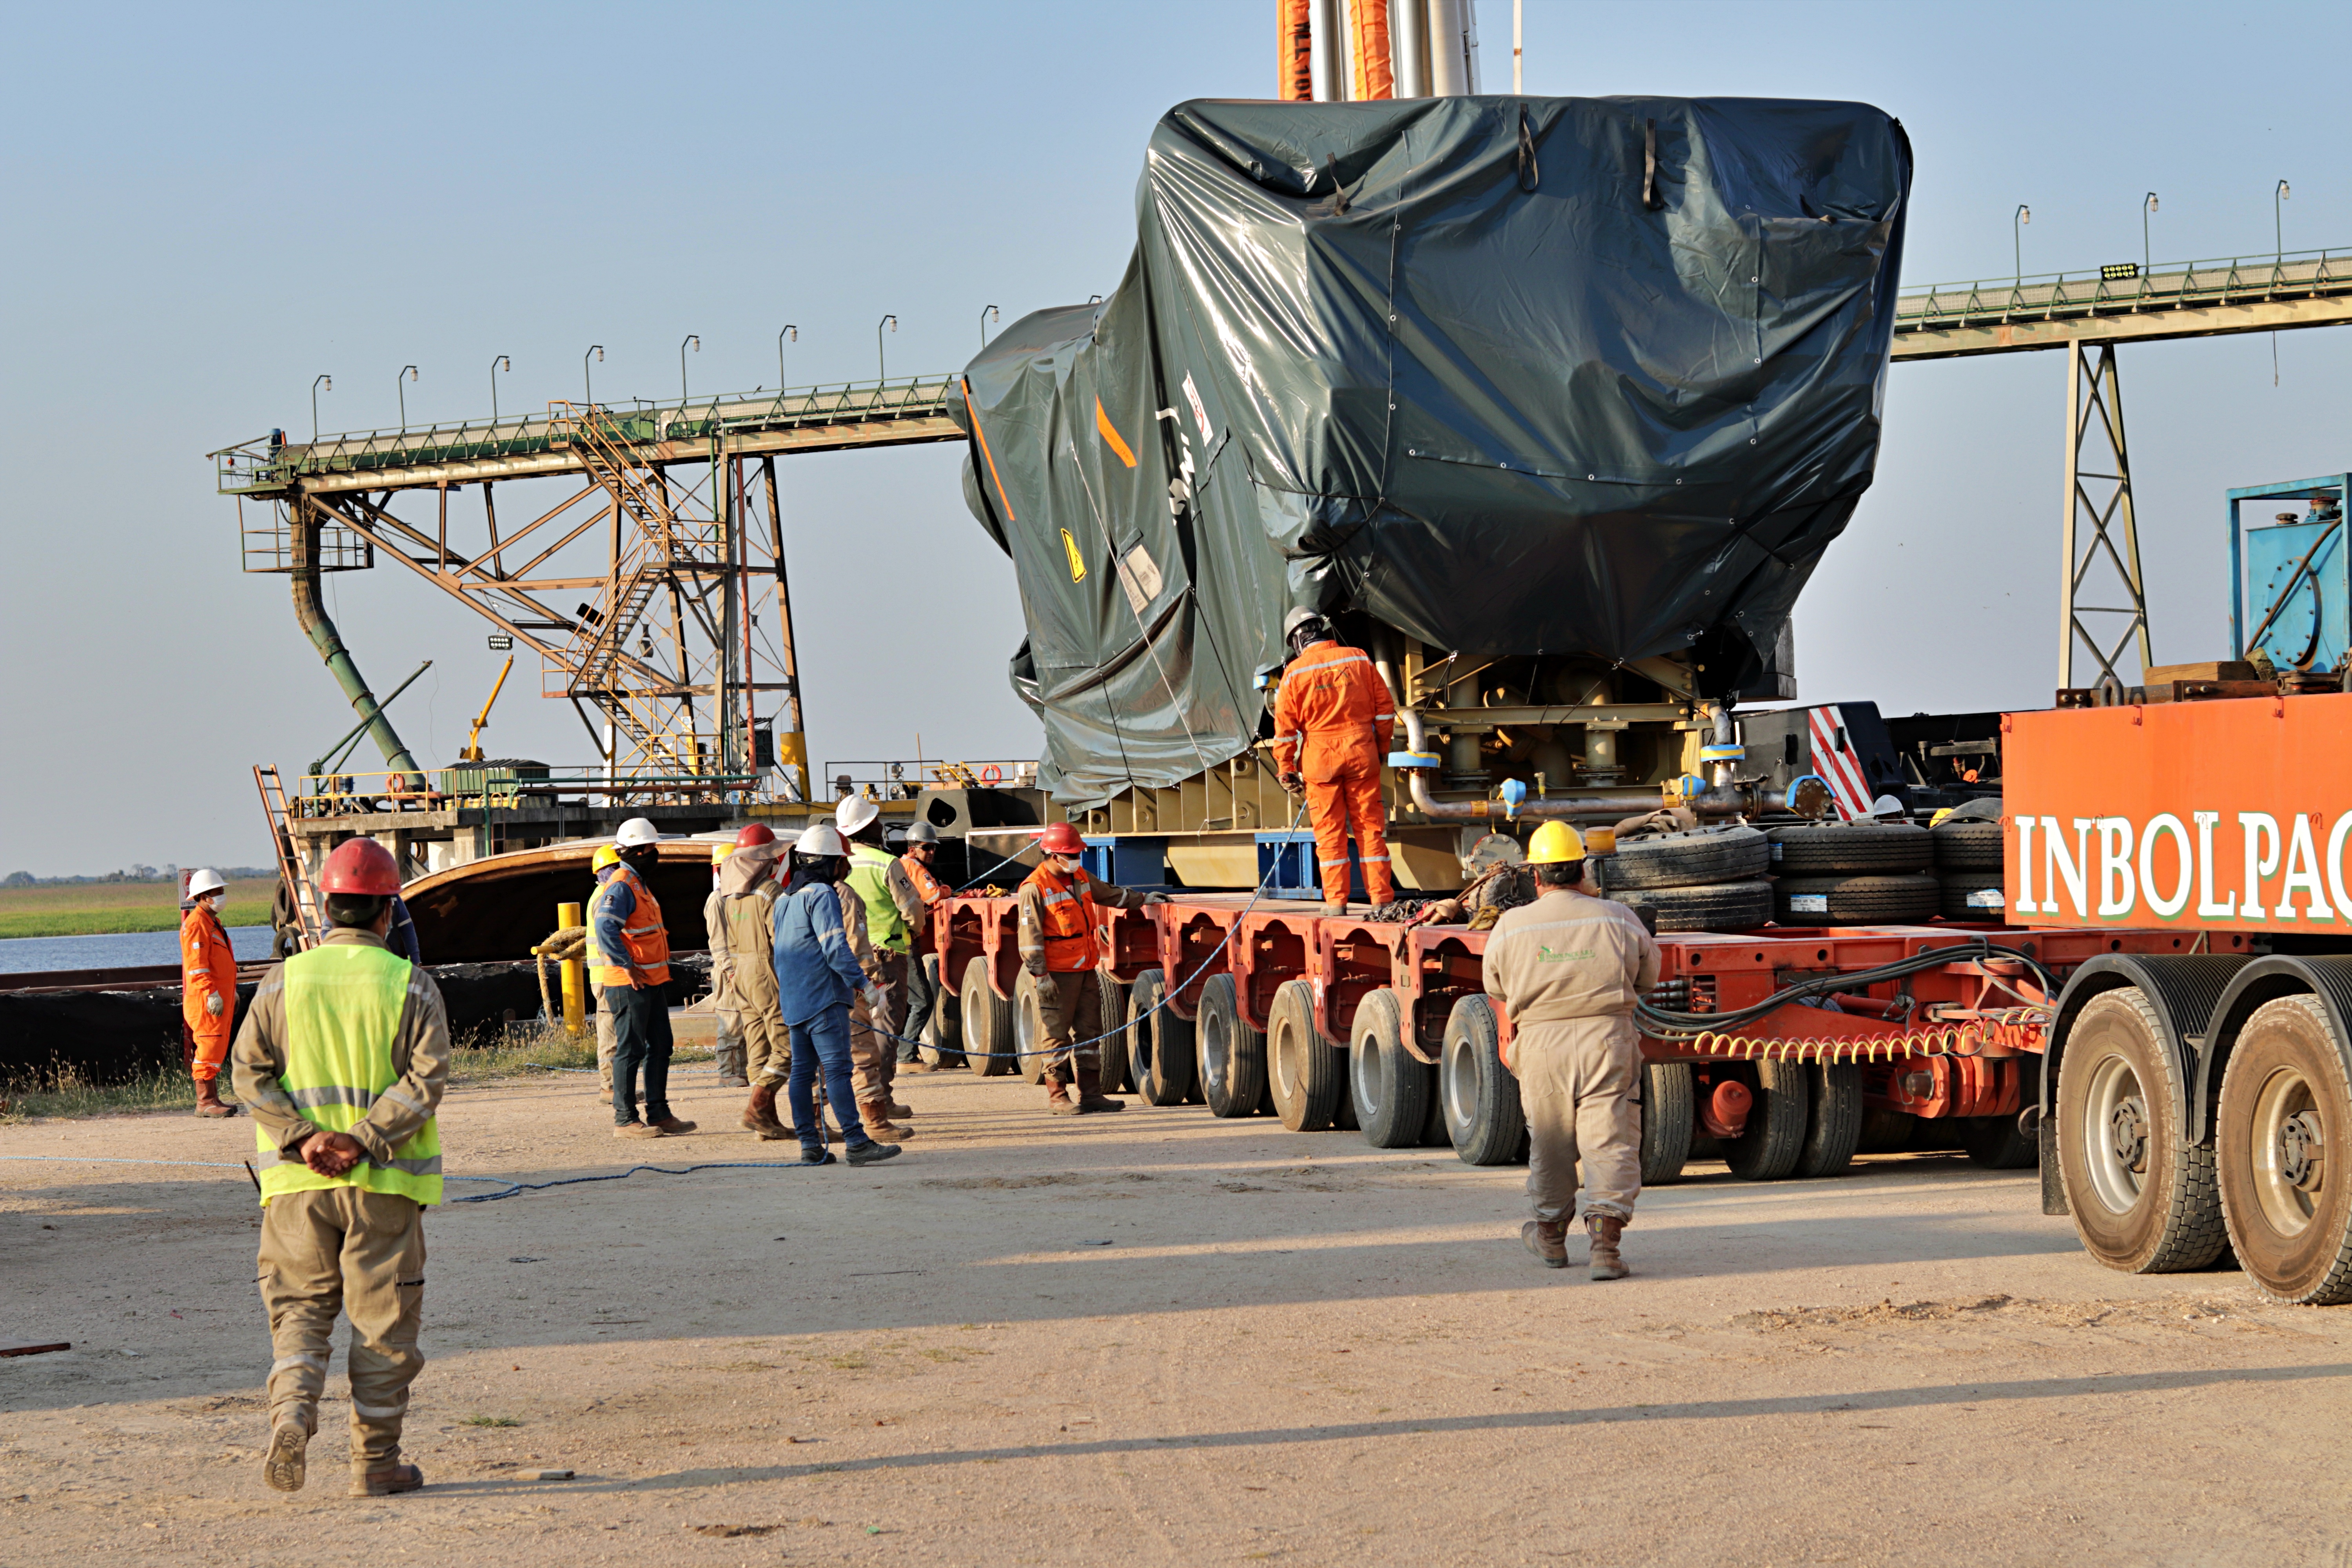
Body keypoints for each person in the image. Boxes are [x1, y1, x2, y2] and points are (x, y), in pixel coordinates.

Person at [229, 837, 448, 1498]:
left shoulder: (280, 982)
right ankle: (375, 1462)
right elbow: (426, 1078)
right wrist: (362, 1140)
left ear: (324, 907)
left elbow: (247, 1074)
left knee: (299, 1311)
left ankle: (294, 1408)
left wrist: (302, 1141)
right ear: (387, 913)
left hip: (297, 1186)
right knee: (383, 1325)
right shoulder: (410, 984)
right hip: (384, 1183)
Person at [1480, 821, 1660, 1281]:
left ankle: (1551, 1238)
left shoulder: (1510, 925)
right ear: (1582, 870)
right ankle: (1605, 1247)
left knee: (1550, 1140)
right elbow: (1648, 976)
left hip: (1541, 1045)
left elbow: (1495, 985)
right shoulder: (1618, 917)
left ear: (1535, 877)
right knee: (1610, 1137)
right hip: (1608, 1040)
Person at [771, 824, 900, 1166]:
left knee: (801, 1073)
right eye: (843, 862)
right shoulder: (823, 895)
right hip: (825, 998)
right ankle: (857, 1143)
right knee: (839, 1069)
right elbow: (836, 949)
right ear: (829, 863)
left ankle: (810, 1146)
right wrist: (866, 986)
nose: (847, 868)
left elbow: (780, 954)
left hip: (795, 1000)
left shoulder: (785, 900)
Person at [1017, 821, 1167, 1114]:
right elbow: (1030, 938)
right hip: (1056, 976)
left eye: (1077, 854)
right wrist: (1041, 976)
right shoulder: (1034, 888)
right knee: (1056, 1036)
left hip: (1085, 970)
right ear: (1052, 855)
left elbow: (1110, 894)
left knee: (1090, 1033)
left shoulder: (1082, 877)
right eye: (1071, 854)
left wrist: (1142, 900)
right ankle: (1058, 1097)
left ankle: (1091, 1094)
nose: (1076, 859)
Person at [1271, 608, 1396, 915]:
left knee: (1329, 834)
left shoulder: (1295, 673)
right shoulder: (1358, 658)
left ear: (1297, 640)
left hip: (1321, 760)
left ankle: (1336, 904)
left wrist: (1286, 768)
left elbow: (1285, 730)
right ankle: (1381, 900)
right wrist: (1381, 747)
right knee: (1370, 829)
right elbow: (1385, 709)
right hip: (1361, 753)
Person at [590, 819, 695, 1140]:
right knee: (631, 1048)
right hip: (629, 982)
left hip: (651, 980)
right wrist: (627, 966)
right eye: (652, 848)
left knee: (660, 1045)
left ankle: (659, 1113)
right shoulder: (622, 885)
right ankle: (625, 1119)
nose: (656, 853)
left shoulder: (638, 884)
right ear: (638, 851)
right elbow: (606, 927)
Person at [837, 796, 916, 1136]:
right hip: (886, 958)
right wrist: (913, 930)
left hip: (847, 959)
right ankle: (880, 1098)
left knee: (853, 1034)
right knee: (885, 1029)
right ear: (870, 827)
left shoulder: (840, 865)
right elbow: (913, 909)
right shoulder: (888, 864)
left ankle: (867, 1097)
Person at [717, 827, 796, 1138]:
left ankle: (767, 1123)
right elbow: (783, 942)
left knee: (759, 1047)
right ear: (766, 858)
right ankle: (757, 1109)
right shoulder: (771, 892)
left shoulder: (732, 895)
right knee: (787, 1046)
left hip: (742, 975)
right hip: (766, 971)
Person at [889, 822, 952, 1070]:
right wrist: (948, 890)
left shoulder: (898, 866)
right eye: (926, 848)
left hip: (889, 944)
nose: (931, 852)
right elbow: (934, 896)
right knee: (923, 1000)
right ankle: (905, 1056)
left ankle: (899, 1053)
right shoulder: (914, 867)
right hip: (906, 942)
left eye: (933, 848)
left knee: (901, 1001)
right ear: (912, 849)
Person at [181, 868, 242, 1118]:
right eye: (217, 892)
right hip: (206, 1000)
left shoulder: (211, 922)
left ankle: (212, 1099)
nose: (222, 896)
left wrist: (230, 992)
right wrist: (211, 994)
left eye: (222, 891)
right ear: (203, 897)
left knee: (216, 1045)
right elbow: (197, 967)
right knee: (208, 1045)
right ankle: (204, 1102)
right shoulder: (196, 925)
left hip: (218, 997)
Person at [703, 840, 750, 1086]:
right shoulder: (717, 900)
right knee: (731, 1021)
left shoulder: (740, 898)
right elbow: (718, 942)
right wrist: (731, 972)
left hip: (747, 969)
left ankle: (743, 1070)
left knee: (747, 1022)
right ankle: (729, 1072)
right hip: (729, 973)